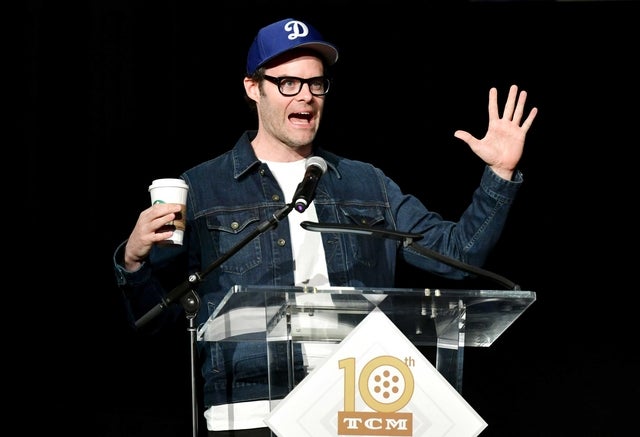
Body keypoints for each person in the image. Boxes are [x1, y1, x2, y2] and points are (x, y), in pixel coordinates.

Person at [113, 17, 537, 437]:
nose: (307, 96)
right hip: (250, 411)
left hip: (356, 403)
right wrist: (133, 261)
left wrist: (499, 175)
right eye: (289, 84)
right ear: (252, 87)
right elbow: (154, 321)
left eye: (316, 84)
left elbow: (459, 255)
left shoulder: (366, 183)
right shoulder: (201, 189)